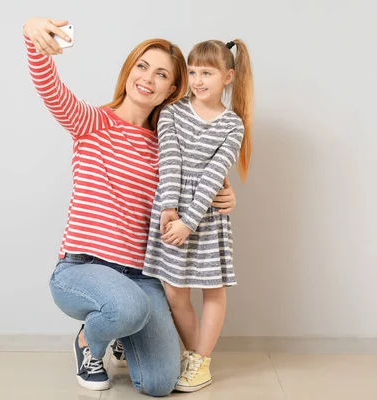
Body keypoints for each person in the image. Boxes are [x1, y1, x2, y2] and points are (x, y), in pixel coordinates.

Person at [22, 17, 237, 396]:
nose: (148, 79)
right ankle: (90, 344)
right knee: (128, 308)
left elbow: (196, 183)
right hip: (83, 268)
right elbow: (50, 88)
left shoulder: (168, 142)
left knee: (159, 384)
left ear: (173, 88)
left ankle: (121, 328)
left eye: (161, 74)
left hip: (142, 275)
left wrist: (225, 196)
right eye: (142, 66)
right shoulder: (91, 122)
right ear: (129, 70)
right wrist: (32, 32)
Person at [142, 38, 253, 392]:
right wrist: (170, 209)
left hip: (206, 216)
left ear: (228, 77)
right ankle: (194, 354)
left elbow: (213, 174)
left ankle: (201, 361)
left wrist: (190, 221)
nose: (199, 80)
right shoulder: (173, 113)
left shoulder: (233, 125)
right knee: (175, 291)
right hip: (172, 209)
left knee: (213, 290)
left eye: (207, 72)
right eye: (193, 72)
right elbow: (169, 160)